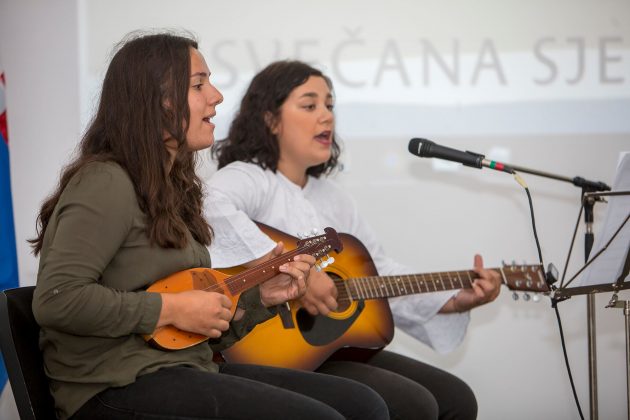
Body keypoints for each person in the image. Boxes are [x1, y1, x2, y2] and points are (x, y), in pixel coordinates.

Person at [30, 34, 390, 420]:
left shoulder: (174, 189)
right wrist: (171, 307)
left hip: (185, 368)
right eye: (199, 84)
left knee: (362, 405)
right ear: (156, 100)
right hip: (112, 387)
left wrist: (261, 299)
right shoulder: (106, 182)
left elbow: (194, 331)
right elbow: (57, 299)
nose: (216, 97)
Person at [205, 60, 503, 420]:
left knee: (456, 398)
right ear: (270, 119)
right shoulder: (250, 178)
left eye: (330, 105)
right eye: (310, 105)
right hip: (267, 350)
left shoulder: (334, 198)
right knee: (414, 405)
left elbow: (376, 271)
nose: (326, 116)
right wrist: (297, 270)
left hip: (330, 347)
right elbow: (209, 206)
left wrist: (453, 299)